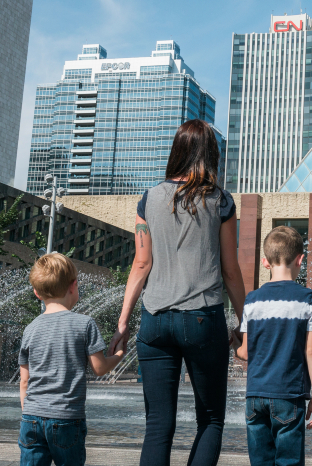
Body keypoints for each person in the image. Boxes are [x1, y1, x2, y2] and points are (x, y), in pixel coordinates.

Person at [108, 119, 246, 466]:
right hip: (203, 319)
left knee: (157, 425)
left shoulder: (149, 198)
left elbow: (141, 265)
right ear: (210, 154)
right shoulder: (220, 202)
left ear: (177, 151)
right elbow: (230, 270)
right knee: (210, 419)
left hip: (154, 321)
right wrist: (245, 322)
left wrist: (123, 322)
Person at [18, 253, 125, 466]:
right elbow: (100, 368)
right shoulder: (84, 324)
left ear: (36, 293)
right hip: (66, 418)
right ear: (73, 285)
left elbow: (24, 382)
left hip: (31, 417)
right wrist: (119, 355)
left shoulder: (30, 329)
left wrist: (30, 414)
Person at [236, 226, 312, 466]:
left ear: (265, 262)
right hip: (288, 395)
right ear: (300, 260)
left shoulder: (252, 300)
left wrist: (233, 344)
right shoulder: (309, 299)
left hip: (255, 397)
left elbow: (244, 352)